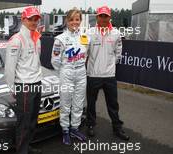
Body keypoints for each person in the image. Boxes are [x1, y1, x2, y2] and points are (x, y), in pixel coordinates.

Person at [5, 6, 43, 154]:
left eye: (36, 19)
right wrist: (13, 89)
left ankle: (27, 146)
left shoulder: (38, 38)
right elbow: (9, 69)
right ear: (23, 19)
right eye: (31, 19)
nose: (34, 22)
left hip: (36, 83)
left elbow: (35, 63)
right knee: (24, 123)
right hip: (24, 87)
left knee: (33, 120)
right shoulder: (16, 40)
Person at [86, 5, 130, 140]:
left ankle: (117, 127)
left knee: (113, 103)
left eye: (106, 16)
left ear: (110, 17)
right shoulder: (89, 32)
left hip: (109, 75)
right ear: (97, 17)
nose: (104, 18)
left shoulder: (116, 33)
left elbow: (118, 53)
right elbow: (84, 52)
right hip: (93, 74)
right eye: (101, 16)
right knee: (91, 103)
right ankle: (91, 125)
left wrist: (109, 65)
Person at [51, 8, 88, 145]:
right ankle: (65, 130)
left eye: (77, 19)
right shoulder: (60, 39)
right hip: (66, 72)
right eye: (71, 19)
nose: (74, 22)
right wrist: (64, 72)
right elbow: (55, 61)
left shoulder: (85, 37)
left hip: (81, 73)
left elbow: (86, 55)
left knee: (78, 103)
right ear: (67, 21)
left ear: (80, 21)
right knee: (65, 103)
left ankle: (75, 128)